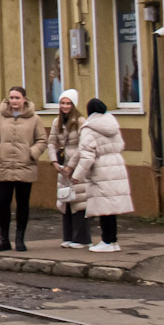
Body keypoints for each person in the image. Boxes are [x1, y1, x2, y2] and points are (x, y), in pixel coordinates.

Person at [0, 85, 46, 252]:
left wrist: (32, 153)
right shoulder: (0, 117)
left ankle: (20, 239)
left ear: (24, 99)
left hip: (24, 166)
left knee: (22, 204)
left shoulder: (35, 119)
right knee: (3, 204)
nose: (14, 101)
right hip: (4, 166)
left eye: (17, 98)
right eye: (11, 97)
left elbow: (42, 140)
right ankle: (4, 239)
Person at [73, 98, 133, 252]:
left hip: (101, 168)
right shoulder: (112, 124)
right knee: (111, 207)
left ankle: (106, 241)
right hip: (116, 164)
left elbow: (87, 156)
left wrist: (77, 175)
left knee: (104, 207)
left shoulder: (89, 128)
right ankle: (113, 241)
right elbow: (121, 144)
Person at [46, 89, 90, 248]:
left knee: (79, 201)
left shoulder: (81, 121)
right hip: (62, 164)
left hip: (76, 165)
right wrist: (54, 161)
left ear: (73, 105)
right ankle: (68, 236)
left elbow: (82, 146)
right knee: (65, 200)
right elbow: (51, 143)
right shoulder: (56, 122)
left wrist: (71, 166)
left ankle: (82, 238)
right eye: (62, 103)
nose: (65, 106)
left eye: (68, 103)